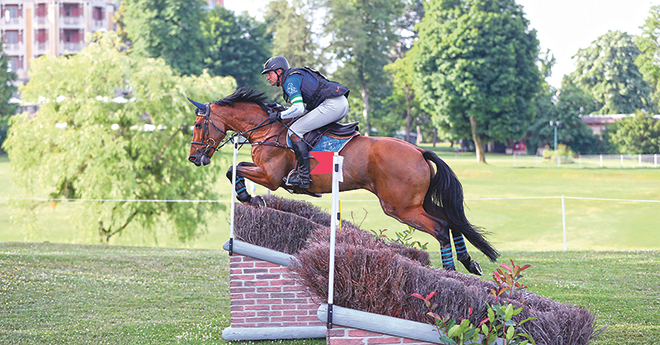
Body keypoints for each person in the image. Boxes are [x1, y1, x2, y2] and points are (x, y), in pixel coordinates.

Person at [262, 56, 350, 189]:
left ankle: (303, 177)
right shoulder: (294, 77)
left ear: (279, 71)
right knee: (302, 124)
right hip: (339, 103)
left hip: (332, 105)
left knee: (294, 131)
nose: (267, 78)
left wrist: (280, 115)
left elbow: (298, 108)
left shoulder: (289, 81)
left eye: (269, 74)